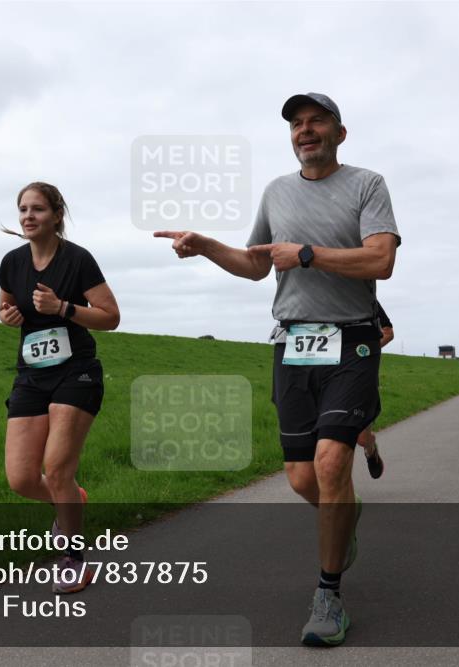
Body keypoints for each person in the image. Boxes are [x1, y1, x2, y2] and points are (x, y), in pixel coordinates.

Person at [155, 92, 400, 647]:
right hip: (293, 344)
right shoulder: (275, 191)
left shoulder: (368, 184)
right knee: (301, 478)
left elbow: (381, 259)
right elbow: (255, 265)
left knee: (332, 459)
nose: (305, 130)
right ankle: (343, 522)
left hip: (351, 341)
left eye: (316, 121)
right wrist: (208, 245)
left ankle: (328, 595)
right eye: (297, 124)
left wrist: (308, 254)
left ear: (340, 132)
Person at [0, 182, 120, 594]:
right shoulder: (11, 262)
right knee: (20, 478)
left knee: (57, 468)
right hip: (31, 375)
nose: (28, 217)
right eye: (23, 210)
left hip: (77, 372)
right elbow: (4, 306)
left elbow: (111, 316)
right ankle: (71, 498)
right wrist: (8, 316)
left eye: (37, 210)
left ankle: (74, 559)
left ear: (56, 215)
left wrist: (64, 308)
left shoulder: (78, 260)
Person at [356, 302, 393, 479]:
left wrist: (364, 352)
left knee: (362, 438)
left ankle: (370, 450)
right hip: (323, 373)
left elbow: (388, 332)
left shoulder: (364, 296)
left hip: (359, 371)